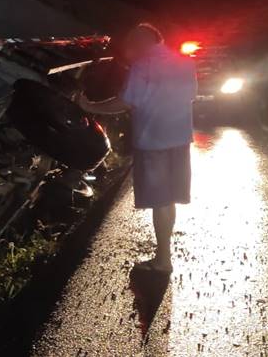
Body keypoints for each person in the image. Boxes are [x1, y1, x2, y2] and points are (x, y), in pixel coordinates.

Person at [78, 23, 197, 273]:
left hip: (153, 142)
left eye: (133, 41)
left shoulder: (143, 66)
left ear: (143, 40)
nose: (130, 47)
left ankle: (163, 260)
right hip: (180, 139)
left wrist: (90, 107)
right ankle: (164, 254)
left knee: (160, 200)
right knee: (169, 200)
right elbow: (190, 96)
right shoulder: (185, 62)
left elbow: (125, 102)